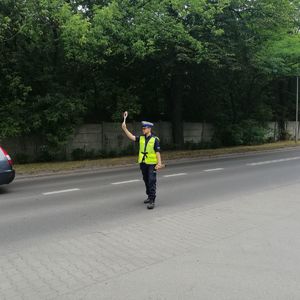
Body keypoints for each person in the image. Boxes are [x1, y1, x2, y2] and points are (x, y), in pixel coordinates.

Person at [122, 117, 162, 209]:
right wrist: (125, 128)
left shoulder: (155, 139)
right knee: (146, 180)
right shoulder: (141, 138)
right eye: (142, 128)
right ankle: (149, 196)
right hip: (143, 163)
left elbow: (157, 152)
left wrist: (159, 163)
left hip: (152, 164)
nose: (143, 130)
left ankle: (152, 200)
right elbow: (132, 137)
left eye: (144, 128)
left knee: (152, 180)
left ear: (149, 129)